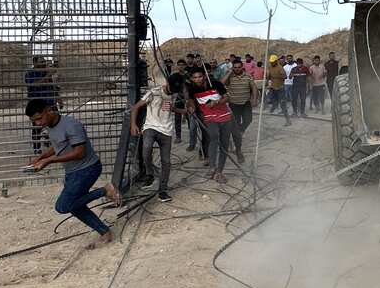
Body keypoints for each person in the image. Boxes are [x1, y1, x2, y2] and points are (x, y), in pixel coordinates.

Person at [26, 98, 122, 245]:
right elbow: (58, 144)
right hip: (72, 172)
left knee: (63, 206)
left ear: (48, 110)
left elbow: (80, 153)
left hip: (87, 169)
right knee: (74, 205)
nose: (38, 123)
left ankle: (105, 190)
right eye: (35, 121)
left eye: (39, 118)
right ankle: (104, 231)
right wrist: (40, 157)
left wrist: (49, 161)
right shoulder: (51, 126)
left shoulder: (71, 125)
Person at [128, 73, 181, 201]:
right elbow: (135, 107)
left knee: (166, 162)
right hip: (151, 126)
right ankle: (149, 173)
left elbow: (172, 109)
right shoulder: (154, 92)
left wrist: (186, 110)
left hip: (166, 130)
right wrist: (133, 124)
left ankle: (162, 191)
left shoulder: (175, 94)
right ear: (167, 83)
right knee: (146, 149)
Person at [187, 68, 233, 182]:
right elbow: (191, 100)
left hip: (225, 116)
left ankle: (219, 172)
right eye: (195, 77)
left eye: (200, 76)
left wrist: (216, 102)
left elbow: (227, 97)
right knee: (214, 137)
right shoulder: (192, 89)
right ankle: (212, 167)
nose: (197, 79)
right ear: (192, 79)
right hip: (209, 117)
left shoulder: (216, 84)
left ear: (204, 76)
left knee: (224, 144)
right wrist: (191, 106)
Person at [25, 56, 59, 155]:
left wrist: (58, 98)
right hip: (37, 103)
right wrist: (48, 74)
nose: (44, 63)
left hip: (49, 102)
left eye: (44, 61)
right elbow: (35, 85)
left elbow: (51, 86)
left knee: (54, 124)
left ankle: (53, 145)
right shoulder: (30, 73)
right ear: (35, 63)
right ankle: (37, 148)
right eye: (41, 62)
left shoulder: (45, 72)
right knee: (37, 127)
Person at [225, 60, 254, 145]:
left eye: (239, 67)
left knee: (249, 119)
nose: (237, 69)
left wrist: (254, 99)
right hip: (234, 105)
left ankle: (241, 130)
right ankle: (237, 144)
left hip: (246, 103)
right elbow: (221, 83)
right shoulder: (230, 77)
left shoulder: (248, 76)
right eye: (235, 67)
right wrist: (229, 73)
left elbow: (254, 87)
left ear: (242, 67)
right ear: (232, 68)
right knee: (236, 124)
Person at [266, 56, 290, 125]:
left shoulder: (280, 68)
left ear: (276, 61)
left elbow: (285, 76)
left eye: (273, 62)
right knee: (268, 99)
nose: (272, 63)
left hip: (280, 88)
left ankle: (288, 120)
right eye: (271, 62)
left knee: (283, 105)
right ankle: (274, 106)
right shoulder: (270, 67)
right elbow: (269, 77)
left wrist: (277, 76)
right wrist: (267, 80)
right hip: (273, 88)